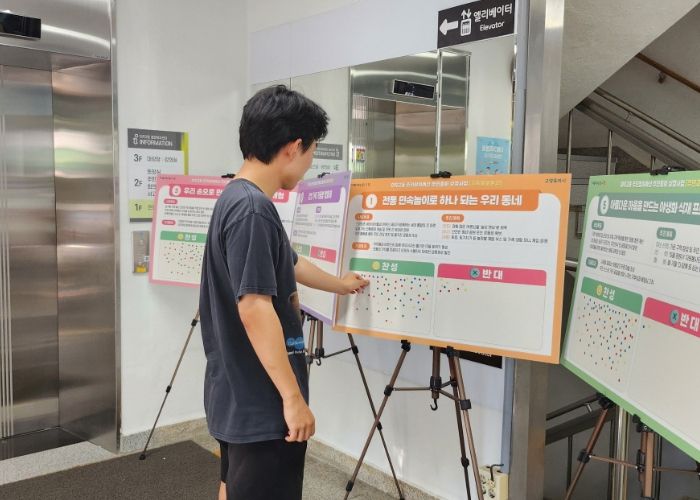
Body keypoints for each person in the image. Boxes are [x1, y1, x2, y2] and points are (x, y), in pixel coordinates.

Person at [199, 85, 368, 500]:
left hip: (237, 393)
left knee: (233, 486)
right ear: (293, 147)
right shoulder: (253, 210)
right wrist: (292, 398)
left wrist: (340, 284)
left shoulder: (237, 198)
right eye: (311, 154)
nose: (309, 166)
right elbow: (255, 307)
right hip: (263, 401)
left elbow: (289, 262)